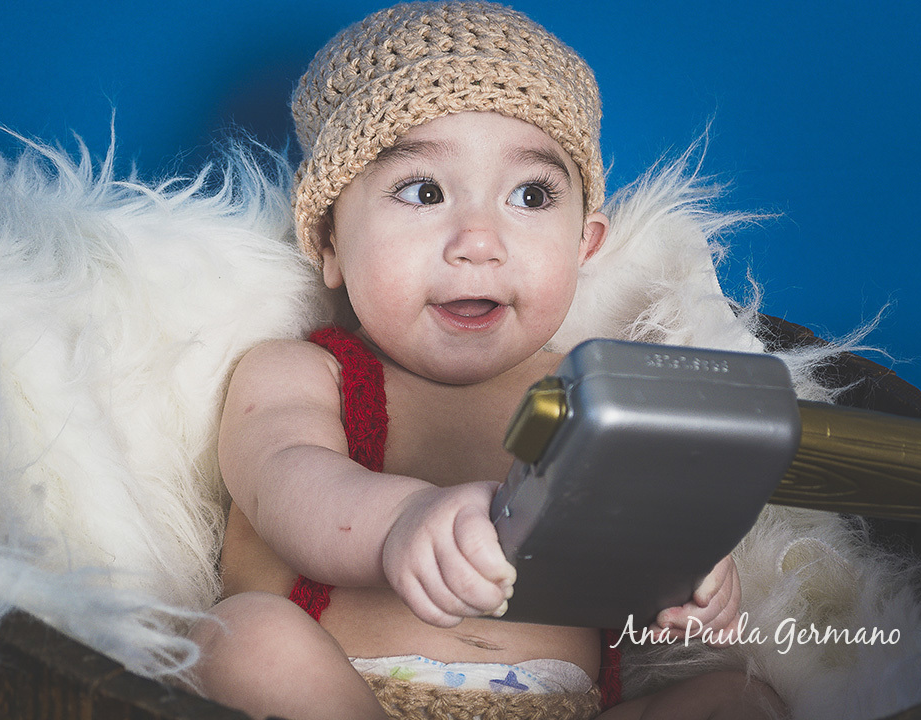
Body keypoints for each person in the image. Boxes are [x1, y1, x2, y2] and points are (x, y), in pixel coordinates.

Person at [190, 3, 784, 719]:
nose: (478, 240)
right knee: (242, 639)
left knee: (744, 698)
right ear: (329, 244)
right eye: (424, 191)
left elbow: (632, 534)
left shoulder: (595, 392)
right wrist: (400, 522)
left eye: (530, 196)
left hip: (562, 707)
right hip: (351, 693)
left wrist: (685, 571)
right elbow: (290, 482)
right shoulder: (299, 374)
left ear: (584, 245)